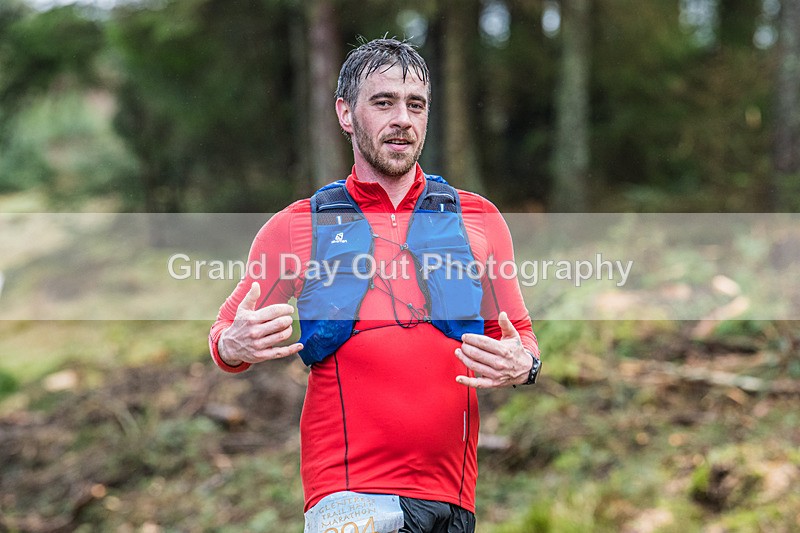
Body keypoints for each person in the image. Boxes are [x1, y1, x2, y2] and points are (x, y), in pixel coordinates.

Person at [209, 38, 540, 533]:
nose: (402, 118)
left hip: (452, 496)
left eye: (416, 104)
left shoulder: (480, 219)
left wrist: (523, 365)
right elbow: (223, 338)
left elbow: (522, 338)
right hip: (349, 494)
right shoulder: (297, 227)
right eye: (383, 102)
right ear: (346, 114)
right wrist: (235, 343)